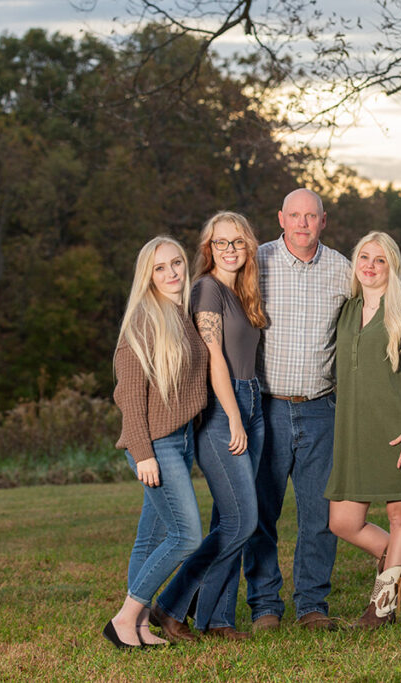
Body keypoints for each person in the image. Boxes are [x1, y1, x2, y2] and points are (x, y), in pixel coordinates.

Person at [326, 231, 401, 628]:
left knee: (400, 517)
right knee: (342, 522)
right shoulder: (347, 310)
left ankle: (382, 607)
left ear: (391, 266)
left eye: (380, 260)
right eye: (364, 257)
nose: (370, 266)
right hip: (355, 433)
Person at [152, 212, 266, 642]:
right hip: (223, 412)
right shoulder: (206, 289)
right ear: (209, 249)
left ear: (248, 246)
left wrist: (249, 411)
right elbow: (214, 356)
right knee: (242, 522)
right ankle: (169, 606)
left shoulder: (244, 291)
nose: (230, 250)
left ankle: (217, 620)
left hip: (252, 402)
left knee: (230, 518)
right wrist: (235, 414)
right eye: (221, 243)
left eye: (237, 242)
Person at [243, 188, 352, 631]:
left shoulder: (344, 270)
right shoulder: (257, 262)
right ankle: (265, 606)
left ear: (323, 221)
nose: (303, 223)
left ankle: (311, 607)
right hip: (265, 408)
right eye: (295, 215)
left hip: (320, 409)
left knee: (319, 515)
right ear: (280, 219)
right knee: (259, 513)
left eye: (312, 216)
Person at [104, 236, 208, 649]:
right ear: (147, 275)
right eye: (160, 267)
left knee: (150, 538)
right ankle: (125, 618)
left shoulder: (179, 316)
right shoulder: (143, 321)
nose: (172, 273)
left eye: (177, 263)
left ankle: (141, 626)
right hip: (155, 445)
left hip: (179, 440)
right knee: (186, 537)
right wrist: (143, 453)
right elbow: (129, 396)